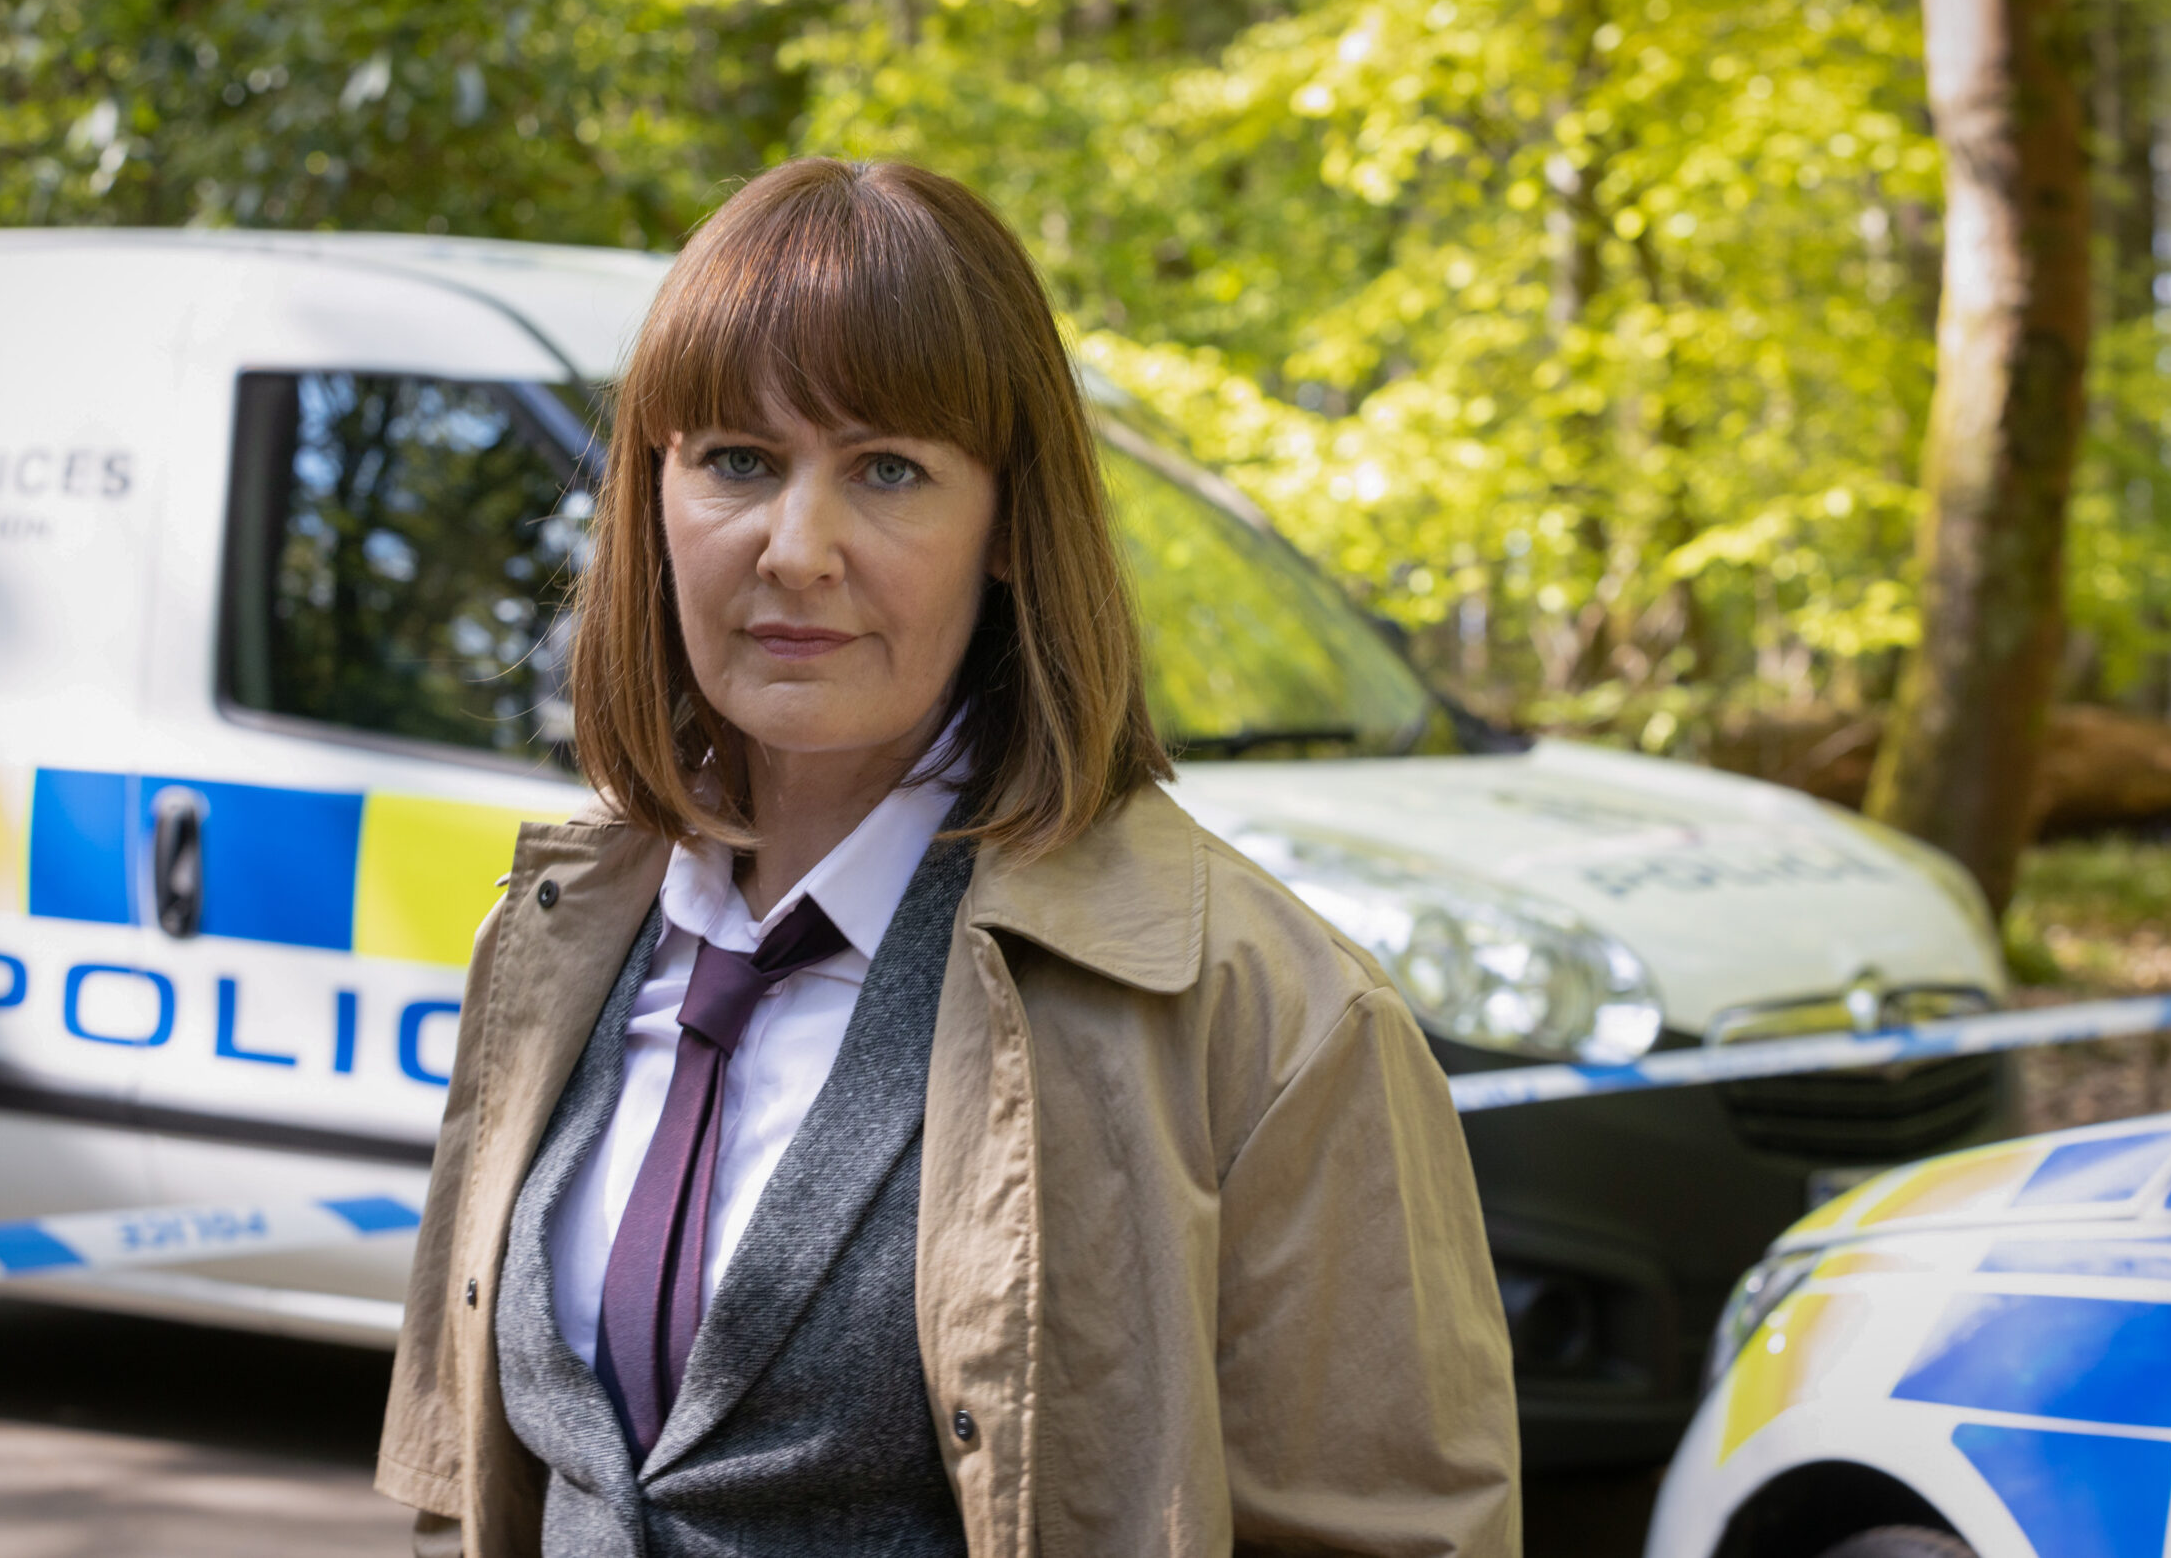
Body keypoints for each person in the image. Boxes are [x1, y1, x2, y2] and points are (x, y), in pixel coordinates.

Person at [375, 158, 1520, 1558]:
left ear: (1008, 532)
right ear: (652, 496)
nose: (798, 549)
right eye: (738, 460)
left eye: (889, 470)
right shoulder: (557, 935)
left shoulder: (1267, 1016)